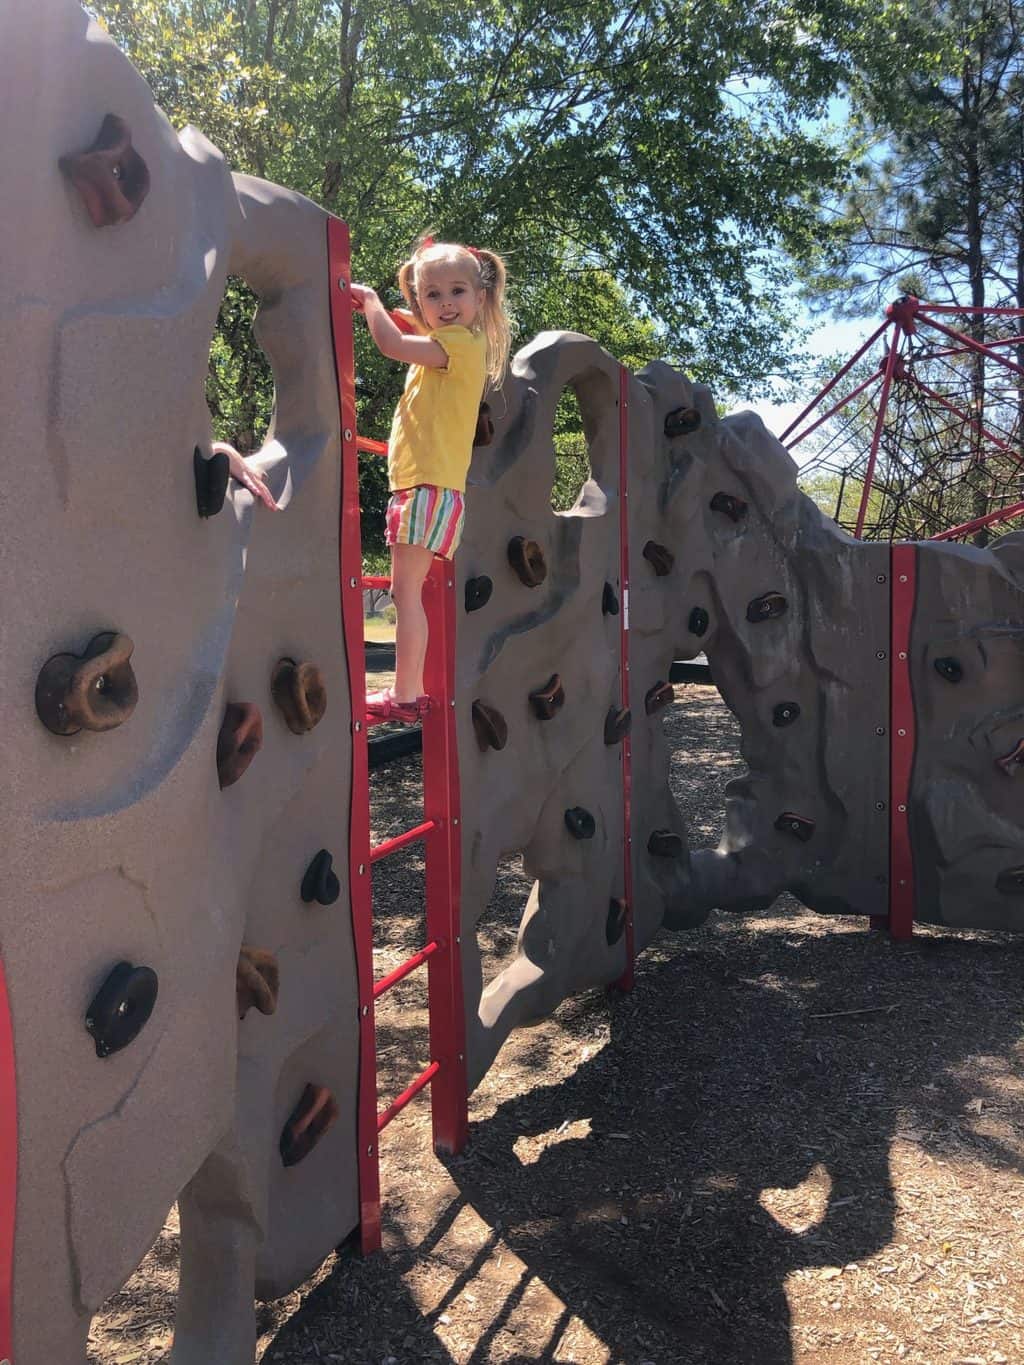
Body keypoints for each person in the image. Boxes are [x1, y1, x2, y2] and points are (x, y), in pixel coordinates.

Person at [351, 236, 510, 723]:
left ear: (480, 298)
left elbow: (391, 344)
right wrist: (406, 318)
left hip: (427, 488)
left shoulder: (460, 344)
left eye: (457, 292)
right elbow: (413, 334)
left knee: (405, 595)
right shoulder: (455, 345)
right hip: (431, 487)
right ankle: (408, 689)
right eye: (432, 295)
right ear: (420, 300)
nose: (445, 304)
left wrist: (374, 305)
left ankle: (403, 694)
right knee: (408, 593)